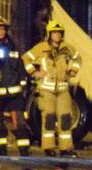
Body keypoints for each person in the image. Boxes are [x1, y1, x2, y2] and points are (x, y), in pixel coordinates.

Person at [23, 20, 82, 157]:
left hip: (63, 90)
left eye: (59, 33)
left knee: (65, 118)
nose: (57, 35)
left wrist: (72, 72)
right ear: (49, 34)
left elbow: (78, 59)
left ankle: (66, 148)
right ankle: (49, 147)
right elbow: (26, 58)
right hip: (46, 90)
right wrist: (34, 72)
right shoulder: (41, 48)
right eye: (54, 33)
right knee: (49, 118)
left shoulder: (67, 48)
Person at [0, 16, 32, 156]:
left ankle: (24, 150)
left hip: (14, 93)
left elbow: (21, 68)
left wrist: (23, 86)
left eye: (3, 29)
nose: (1, 32)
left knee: (20, 123)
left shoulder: (13, 47)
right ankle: (1, 149)